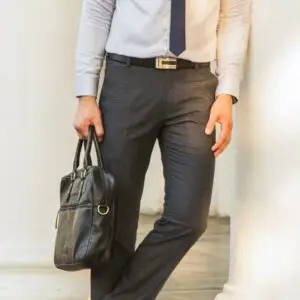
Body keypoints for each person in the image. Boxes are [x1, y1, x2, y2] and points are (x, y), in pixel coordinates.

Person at [73, 0, 250, 299]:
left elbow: (235, 15)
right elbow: (97, 10)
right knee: (114, 217)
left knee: (188, 217)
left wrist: (227, 91)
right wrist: (86, 94)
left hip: (196, 85)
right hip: (128, 79)